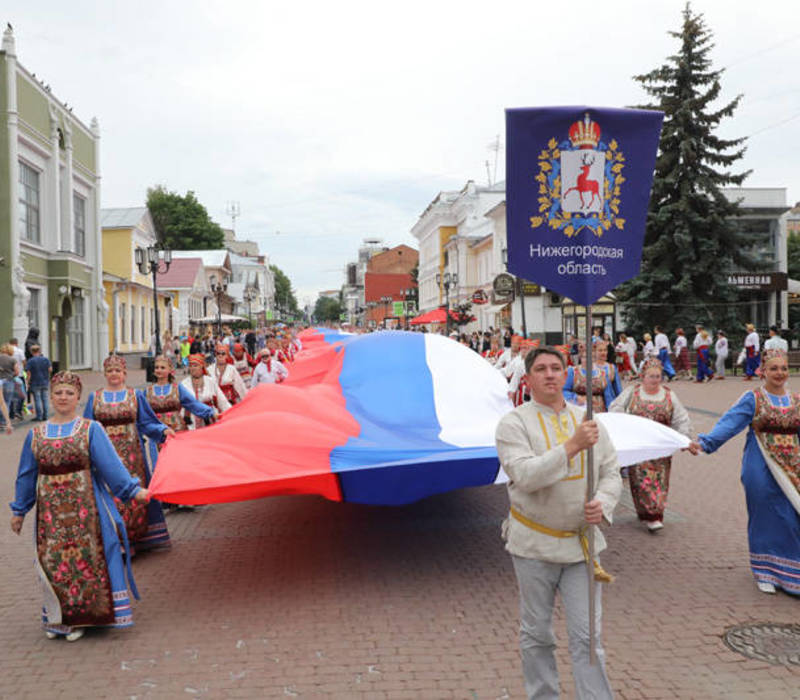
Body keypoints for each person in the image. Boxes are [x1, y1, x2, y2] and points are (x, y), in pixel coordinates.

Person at [495, 347, 621, 699]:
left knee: (588, 637)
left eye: (556, 368)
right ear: (529, 377)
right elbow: (525, 475)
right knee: (537, 635)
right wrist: (571, 447)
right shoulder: (513, 423)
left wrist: (605, 503)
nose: (549, 374)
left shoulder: (589, 419)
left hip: (582, 547)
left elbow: (611, 472)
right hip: (535, 545)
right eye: (540, 369)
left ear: (566, 374)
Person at [10, 371, 150, 641]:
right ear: (50, 397)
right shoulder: (35, 434)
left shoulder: (90, 429)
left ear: (78, 398)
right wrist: (19, 510)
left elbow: (111, 466)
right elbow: (26, 474)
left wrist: (133, 491)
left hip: (87, 508)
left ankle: (85, 617)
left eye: (69, 393)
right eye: (58, 393)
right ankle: (59, 618)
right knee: (53, 561)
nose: (63, 397)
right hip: (50, 514)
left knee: (87, 559)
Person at [693, 349, 800, 596]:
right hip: (761, 465)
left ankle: (791, 570)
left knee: (791, 516)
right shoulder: (753, 399)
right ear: (762, 371)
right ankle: (764, 572)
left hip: (792, 467)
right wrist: (706, 443)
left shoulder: (796, 401)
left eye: (783, 368)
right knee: (765, 515)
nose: (780, 373)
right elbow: (730, 423)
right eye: (774, 369)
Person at [84, 355, 174, 553]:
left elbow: (145, 422)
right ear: (105, 374)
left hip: (133, 455)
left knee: (135, 493)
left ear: (124, 374)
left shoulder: (135, 395)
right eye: (110, 371)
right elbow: (86, 427)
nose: (114, 374)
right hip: (106, 457)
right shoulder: (95, 398)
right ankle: (118, 540)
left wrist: (161, 431)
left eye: (117, 370)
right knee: (111, 494)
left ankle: (136, 538)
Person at [609, 357, 697, 531]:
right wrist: (626, 424)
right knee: (640, 480)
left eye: (658, 376)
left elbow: (681, 417)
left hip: (660, 446)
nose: (655, 380)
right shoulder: (632, 392)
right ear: (643, 376)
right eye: (651, 376)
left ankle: (655, 514)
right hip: (639, 444)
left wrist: (684, 438)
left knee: (659, 480)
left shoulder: (669, 395)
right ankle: (646, 512)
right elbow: (615, 408)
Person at [144, 355, 215, 435]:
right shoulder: (147, 391)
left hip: (177, 431)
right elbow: (143, 414)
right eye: (157, 367)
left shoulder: (177, 388)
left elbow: (192, 403)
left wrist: (211, 413)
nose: (159, 370)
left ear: (170, 370)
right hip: (157, 433)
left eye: (162, 368)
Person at [563, 342, 616, 412]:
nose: (588, 360)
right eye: (585, 357)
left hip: (600, 411)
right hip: (578, 409)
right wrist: (576, 398)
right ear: (581, 358)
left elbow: (608, 395)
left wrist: (610, 411)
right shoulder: (573, 371)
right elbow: (563, 390)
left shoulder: (603, 373)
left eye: (592, 357)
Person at [181, 353, 231, 427]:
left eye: (195, 365)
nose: (192, 368)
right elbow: (182, 406)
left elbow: (222, 401)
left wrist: (231, 413)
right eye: (191, 366)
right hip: (192, 423)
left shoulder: (210, 381)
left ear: (202, 366)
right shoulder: (184, 384)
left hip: (211, 420)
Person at [26, 344, 52, 421]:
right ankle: (46, 416)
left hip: (35, 382)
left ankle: (39, 416)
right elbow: (50, 369)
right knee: (45, 399)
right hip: (45, 381)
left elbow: (28, 373)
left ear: (31, 352)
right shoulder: (45, 359)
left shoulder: (30, 361)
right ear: (39, 350)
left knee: (37, 400)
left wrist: (27, 382)